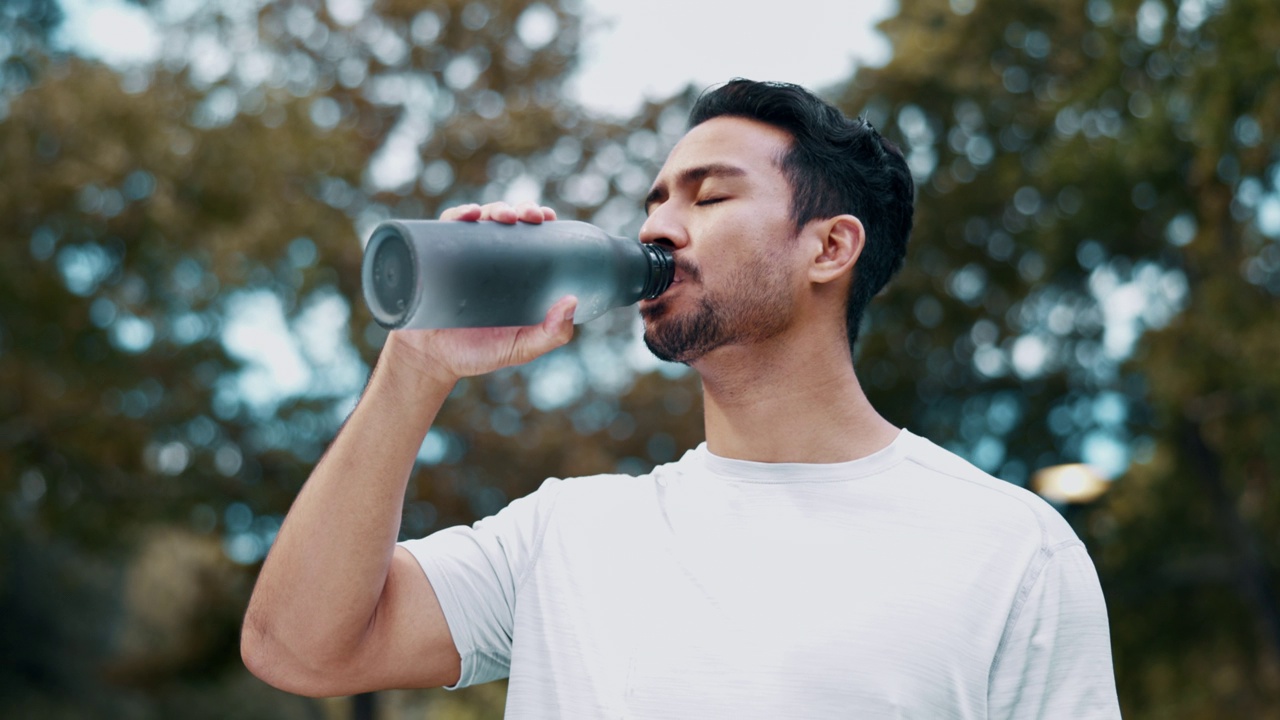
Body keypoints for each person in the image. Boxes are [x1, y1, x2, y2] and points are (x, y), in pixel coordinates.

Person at [241, 79, 1121, 718]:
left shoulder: (1013, 550)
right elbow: (297, 647)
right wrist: (415, 367)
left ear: (829, 248)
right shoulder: (566, 534)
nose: (657, 226)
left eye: (710, 195)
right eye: (655, 200)